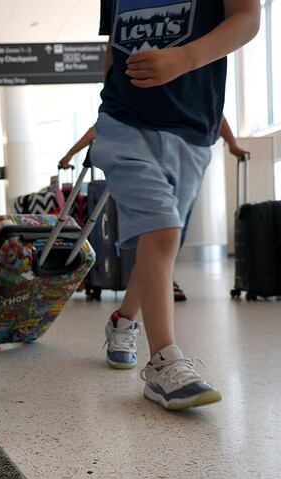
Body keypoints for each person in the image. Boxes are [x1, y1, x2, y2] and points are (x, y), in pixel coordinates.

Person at [93, 0, 259, 410]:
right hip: (124, 124)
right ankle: (164, 363)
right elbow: (114, 48)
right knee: (161, 232)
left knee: (161, 243)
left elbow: (248, 17)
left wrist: (185, 57)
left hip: (191, 131)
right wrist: (106, 109)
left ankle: (124, 320)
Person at [59, 118, 250, 302]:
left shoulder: (189, 95)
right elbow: (100, 126)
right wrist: (69, 154)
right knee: (160, 228)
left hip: (185, 160)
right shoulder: (140, 96)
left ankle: (138, 304)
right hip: (148, 164)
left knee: (171, 232)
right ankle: (143, 301)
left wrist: (232, 144)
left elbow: (213, 109)